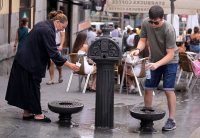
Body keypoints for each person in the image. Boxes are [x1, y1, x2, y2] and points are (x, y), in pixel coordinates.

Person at [5, 11, 80, 122]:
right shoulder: (48, 30)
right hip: (31, 62)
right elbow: (53, 53)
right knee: (34, 87)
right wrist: (69, 65)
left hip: (23, 59)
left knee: (27, 86)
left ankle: (27, 113)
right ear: (57, 22)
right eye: (62, 27)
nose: (62, 30)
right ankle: (38, 114)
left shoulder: (41, 24)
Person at [130, 5, 179, 131]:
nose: (152, 25)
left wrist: (158, 64)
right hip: (153, 61)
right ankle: (147, 117)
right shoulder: (146, 22)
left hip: (170, 62)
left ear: (162, 18)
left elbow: (170, 54)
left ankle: (171, 120)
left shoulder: (169, 30)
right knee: (148, 88)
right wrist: (137, 50)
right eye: (151, 21)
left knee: (168, 90)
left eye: (155, 22)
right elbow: (142, 41)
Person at [46, 10, 65, 85]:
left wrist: (61, 45)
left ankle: (60, 73)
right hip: (51, 45)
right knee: (51, 62)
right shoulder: (50, 25)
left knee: (58, 63)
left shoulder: (62, 25)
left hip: (58, 45)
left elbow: (63, 37)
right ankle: (52, 79)